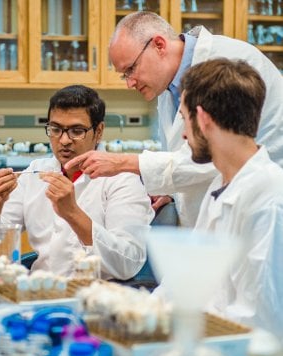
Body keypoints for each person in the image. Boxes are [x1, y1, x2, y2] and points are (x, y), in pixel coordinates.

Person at [65, 11, 283, 228]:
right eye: (124, 75)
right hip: (219, 208)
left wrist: (125, 162)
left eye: (131, 69)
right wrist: (171, 192)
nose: (129, 83)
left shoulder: (227, 63)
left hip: (254, 204)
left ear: (159, 45)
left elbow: (219, 152)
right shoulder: (168, 83)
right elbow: (183, 152)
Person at [0, 85, 154, 280]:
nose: (64, 140)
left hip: (96, 298)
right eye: (55, 129)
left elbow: (127, 263)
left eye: (76, 131)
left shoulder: (122, 179)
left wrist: (72, 212)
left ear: (98, 131)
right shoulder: (34, 173)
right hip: (39, 292)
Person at [177, 58, 283, 337]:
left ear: (203, 119)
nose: (184, 134)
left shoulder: (270, 198)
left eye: (183, 119)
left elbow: (261, 321)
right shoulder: (221, 186)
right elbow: (188, 283)